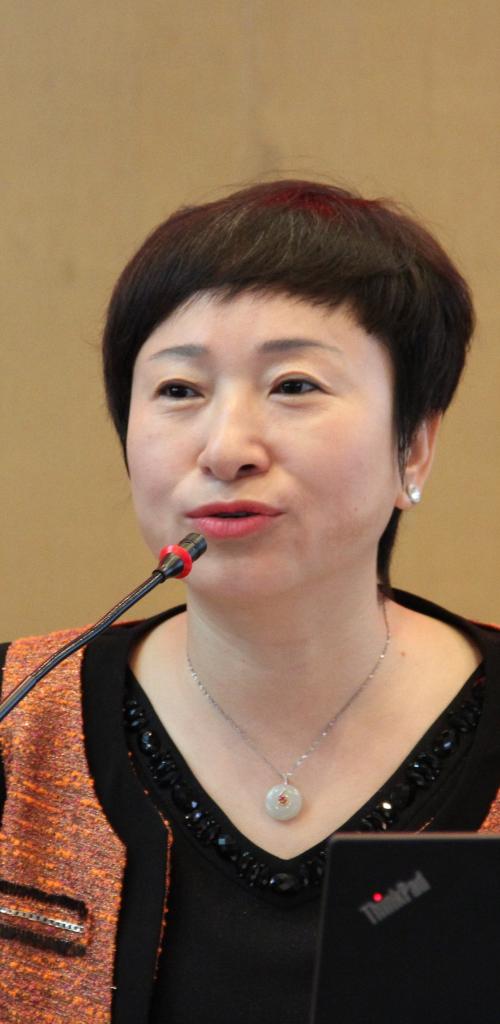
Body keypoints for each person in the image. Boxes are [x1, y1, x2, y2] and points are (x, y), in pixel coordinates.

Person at [0, 180, 499, 1024]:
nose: (226, 448)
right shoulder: (18, 721)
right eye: (179, 390)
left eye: (294, 385)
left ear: (414, 442)